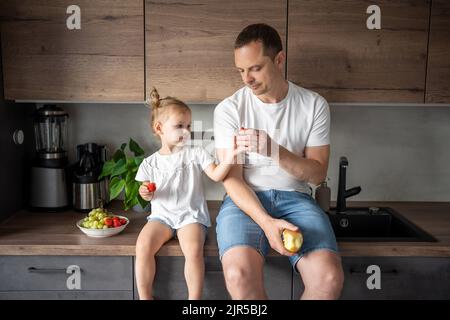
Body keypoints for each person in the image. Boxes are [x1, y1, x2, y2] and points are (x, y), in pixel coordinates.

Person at [214, 23, 344, 299]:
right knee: (238, 276)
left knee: (329, 279)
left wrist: (274, 150)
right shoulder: (229, 109)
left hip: (296, 200)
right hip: (245, 203)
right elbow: (232, 179)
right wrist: (266, 222)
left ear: (279, 59)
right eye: (241, 70)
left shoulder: (313, 105)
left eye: (255, 68)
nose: (246, 79)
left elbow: (318, 174)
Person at [135, 88, 240, 300]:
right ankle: (146, 297)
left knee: (193, 249)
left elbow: (217, 175)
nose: (186, 131)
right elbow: (145, 191)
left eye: (188, 126)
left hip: (190, 216)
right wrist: (145, 192)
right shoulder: (150, 162)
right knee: (143, 245)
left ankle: (194, 300)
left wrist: (230, 156)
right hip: (161, 217)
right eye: (179, 126)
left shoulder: (196, 153)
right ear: (159, 128)